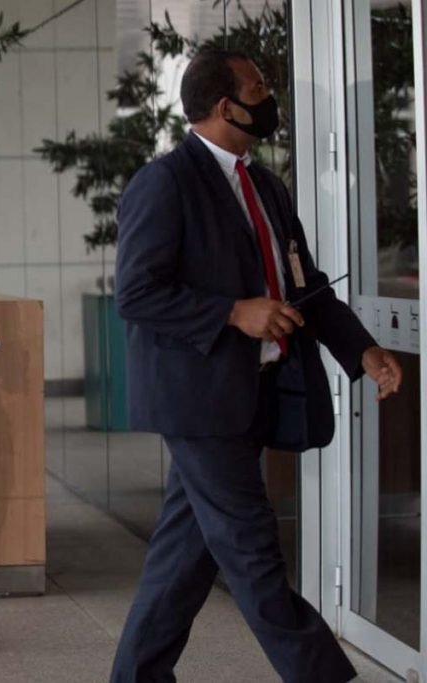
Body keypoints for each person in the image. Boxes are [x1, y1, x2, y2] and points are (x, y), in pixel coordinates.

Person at [110, 49, 402, 683]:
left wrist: (361, 351)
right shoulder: (164, 183)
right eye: (259, 86)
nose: (269, 95)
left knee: (182, 559)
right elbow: (134, 292)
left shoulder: (263, 184)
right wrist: (232, 312)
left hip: (252, 395)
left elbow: (306, 284)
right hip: (198, 402)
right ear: (225, 106)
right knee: (254, 556)